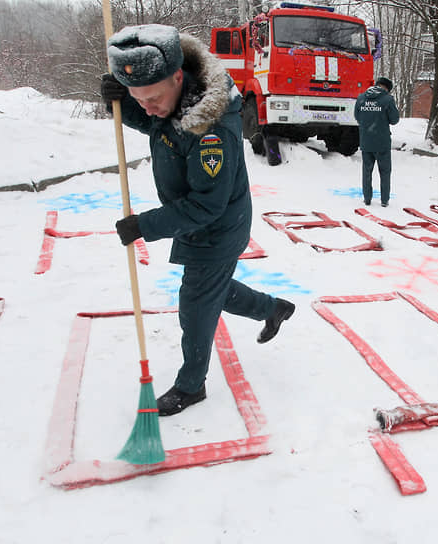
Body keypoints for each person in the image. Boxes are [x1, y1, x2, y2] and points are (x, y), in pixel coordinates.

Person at [100, 24, 295, 415]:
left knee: (195, 304)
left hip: (216, 228)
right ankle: (272, 308)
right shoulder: (174, 99)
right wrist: (119, 104)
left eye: (151, 98)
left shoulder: (211, 129)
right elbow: (158, 121)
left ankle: (191, 387)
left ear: (178, 77)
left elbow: (207, 205)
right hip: (194, 222)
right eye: (139, 99)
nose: (147, 107)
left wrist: (145, 226)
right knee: (211, 291)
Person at [354, 76, 400, 207]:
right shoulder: (387, 99)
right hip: (382, 142)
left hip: (366, 141)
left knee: (366, 171)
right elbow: (394, 120)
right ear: (386, 88)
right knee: (385, 172)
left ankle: (367, 199)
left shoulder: (361, 98)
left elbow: (357, 117)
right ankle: (384, 200)